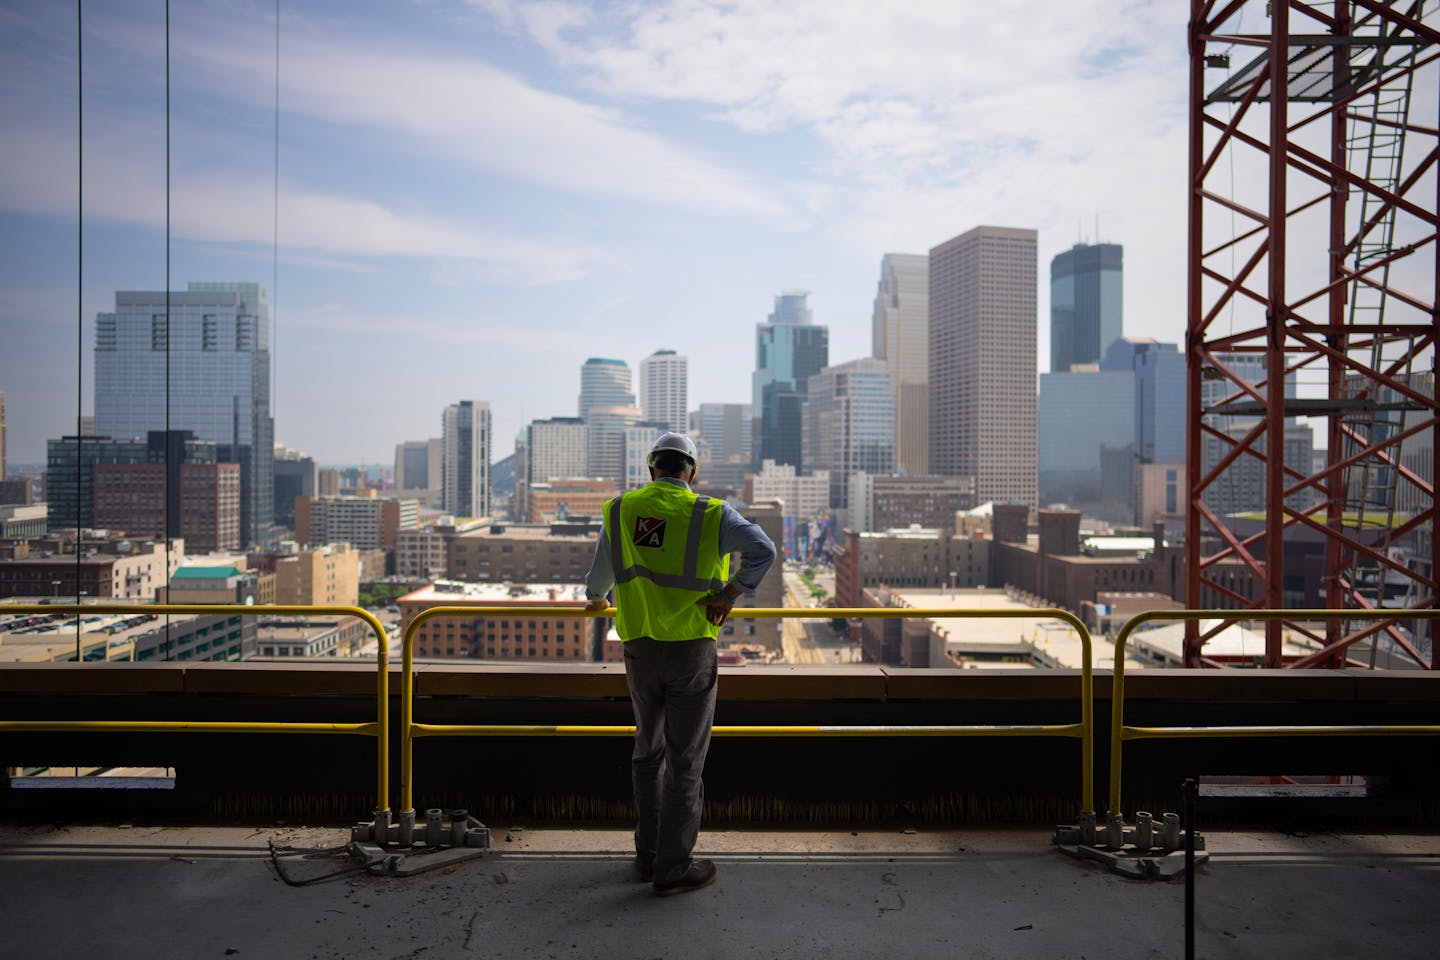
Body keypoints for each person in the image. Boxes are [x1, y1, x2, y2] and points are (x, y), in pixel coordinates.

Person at [584, 431, 775, 897]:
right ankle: (673, 869)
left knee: (647, 753)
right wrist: (729, 594)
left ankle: (648, 858)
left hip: (639, 648)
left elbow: (597, 581)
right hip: (691, 648)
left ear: (651, 469)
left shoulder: (620, 509)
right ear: (692, 473)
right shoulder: (710, 513)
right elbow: (763, 550)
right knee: (685, 761)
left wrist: (595, 601)